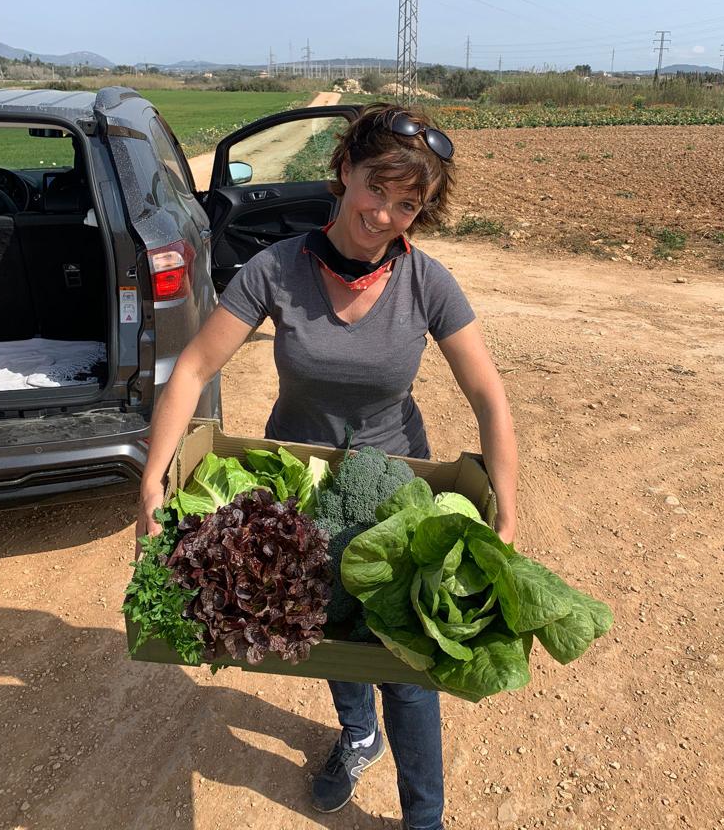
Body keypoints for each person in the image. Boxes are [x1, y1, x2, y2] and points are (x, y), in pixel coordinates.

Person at [135, 103, 518, 830]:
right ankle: (356, 735)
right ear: (344, 170)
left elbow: (489, 399)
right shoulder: (278, 268)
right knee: (329, 635)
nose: (385, 214)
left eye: (410, 204)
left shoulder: (426, 283)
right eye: (378, 188)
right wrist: (154, 477)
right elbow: (192, 370)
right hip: (300, 485)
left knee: (407, 669)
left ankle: (424, 817)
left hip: (394, 492)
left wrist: (507, 508)